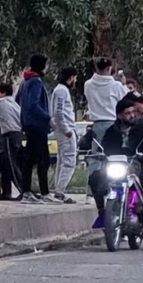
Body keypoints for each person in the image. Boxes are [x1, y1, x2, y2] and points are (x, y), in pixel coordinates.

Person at [89, 97, 143, 231]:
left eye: (133, 112)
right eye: (127, 113)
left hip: (135, 163)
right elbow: (103, 147)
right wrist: (97, 153)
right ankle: (102, 212)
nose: (132, 115)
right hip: (115, 165)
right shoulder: (111, 131)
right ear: (119, 115)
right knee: (94, 177)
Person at [17, 54, 53, 203]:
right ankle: (45, 193)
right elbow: (34, 104)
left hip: (28, 126)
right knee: (43, 160)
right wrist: (47, 117)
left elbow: (18, 100)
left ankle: (26, 191)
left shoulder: (25, 82)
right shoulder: (36, 81)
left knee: (29, 161)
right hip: (38, 127)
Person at [84, 57, 127, 176]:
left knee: (96, 157)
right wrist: (123, 85)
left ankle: (91, 189)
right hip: (113, 124)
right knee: (115, 156)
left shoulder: (88, 84)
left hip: (96, 124)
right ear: (110, 68)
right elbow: (125, 100)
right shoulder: (116, 86)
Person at [50, 66, 79, 204]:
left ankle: (59, 190)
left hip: (62, 129)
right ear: (71, 77)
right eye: (75, 77)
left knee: (62, 161)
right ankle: (60, 191)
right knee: (69, 161)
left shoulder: (60, 90)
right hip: (65, 130)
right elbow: (59, 113)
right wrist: (67, 129)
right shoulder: (62, 91)